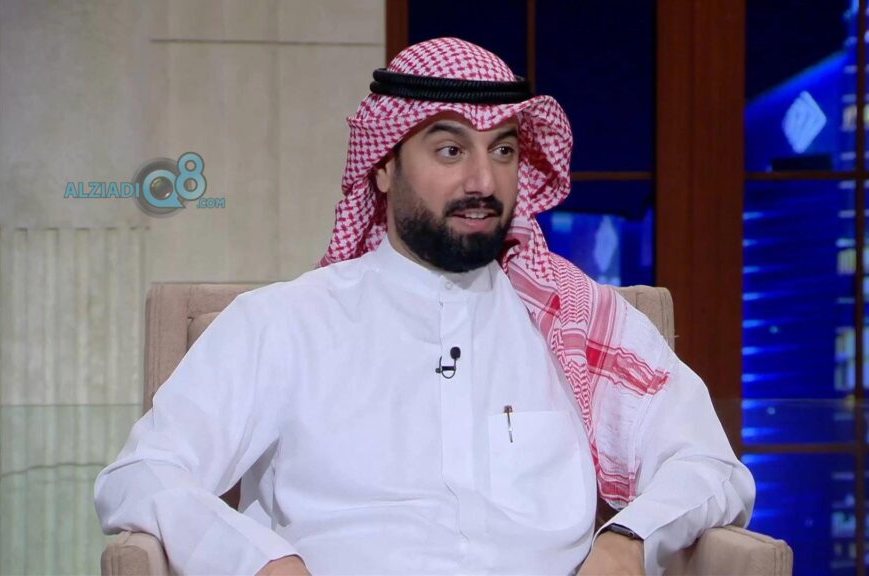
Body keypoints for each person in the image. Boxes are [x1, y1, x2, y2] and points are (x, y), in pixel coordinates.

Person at [95, 38, 754, 576]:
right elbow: (142, 474)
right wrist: (261, 562)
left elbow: (710, 466)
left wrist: (628, 542)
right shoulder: (284, 323)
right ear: (384, 166)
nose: (483, 180)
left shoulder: (576, 320)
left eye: (503, 150)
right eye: (450, 150)